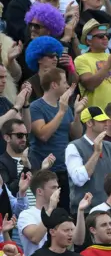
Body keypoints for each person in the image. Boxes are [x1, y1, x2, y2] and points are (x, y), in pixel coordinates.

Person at [30, 69, 86, 212]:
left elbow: (76, 135)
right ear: (54, 85)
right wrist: (61, 111)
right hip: (45, 171)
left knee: (64, 213)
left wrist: (77, 114)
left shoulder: (65, 107)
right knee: (48, 212)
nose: (67, 86)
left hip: (64, 169)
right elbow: (43, 134)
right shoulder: (36, 107)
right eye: (64, 82)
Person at [65, 107, 111, 214]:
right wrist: (96, 152)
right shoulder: (73, 147)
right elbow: (79, 179)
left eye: (106, 120)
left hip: (109, 209)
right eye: (101, 121)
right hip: (85, 212)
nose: (106, 124)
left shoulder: (110, 147)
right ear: (89, 123)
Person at [17, 170, 87, 256]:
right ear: (40, 191)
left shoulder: (61, 212)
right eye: (53, 187)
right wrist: (51, 208)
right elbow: (35, 238)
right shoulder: (26, 215)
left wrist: (80, 211)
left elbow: (78, 241)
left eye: (57, 187)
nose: (58, 191)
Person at [76, 20, 111, 109]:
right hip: (94, 115)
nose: (105, 38)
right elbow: (90, 85)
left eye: (106, 35)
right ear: (89, 41)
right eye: (100, 36)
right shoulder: (81, 59)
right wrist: (108, 65)